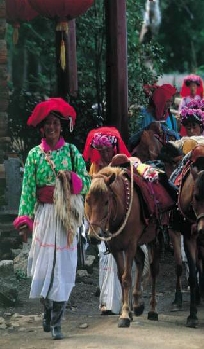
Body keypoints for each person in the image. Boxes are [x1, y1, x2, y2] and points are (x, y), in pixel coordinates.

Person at [12, 98, 91, 340]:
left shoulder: (71, 152)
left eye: (56, 123)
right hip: (45, 216)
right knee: (43, 267)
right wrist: (25, 219)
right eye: (48, 124)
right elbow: (27, 189)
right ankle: (46, 309)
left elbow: (86, 182)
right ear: (42, 128)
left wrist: (72, 179)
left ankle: (57, 322)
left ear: (61, 125)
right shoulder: (35, 155)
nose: (52, 127)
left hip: (65, 218)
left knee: (64, 269)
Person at [83, 127, 131, 315]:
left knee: (118, 258)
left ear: (113, 149)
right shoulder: (94, 170)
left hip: (117, 221)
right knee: (105, 258)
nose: (103, 153)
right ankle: (106, 301)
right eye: (100, 150)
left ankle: (119, 302)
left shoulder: (121, 167)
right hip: (98, 220)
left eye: (106, 149)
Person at [129, 83, 179, 150]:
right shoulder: (145, 116)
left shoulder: (171, 118)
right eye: (167, 101)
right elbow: (137, 138)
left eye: (170, 101)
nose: (169, 104)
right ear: (159, 101)